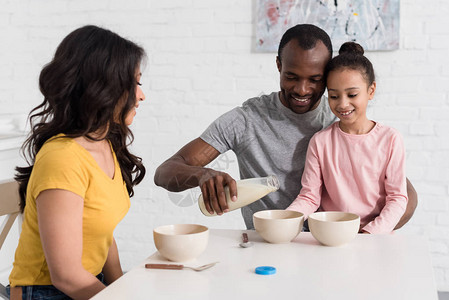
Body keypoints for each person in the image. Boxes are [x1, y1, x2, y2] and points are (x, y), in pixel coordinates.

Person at [154, 24, 417, 230]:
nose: (302, 89)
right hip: (269, 243)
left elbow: (404, 196)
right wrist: (202, 175)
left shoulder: (339, 120)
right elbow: (165, 171)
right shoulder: (246, 120)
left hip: (328, 242)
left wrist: (364, 236)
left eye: (315, 79)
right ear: (279, 65)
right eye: (291, 77)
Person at [8, 25, 146, 299]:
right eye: (135, 83)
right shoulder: (63, 158)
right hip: (46, 292)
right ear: (104, 87)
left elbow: (102, 231)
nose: (141, 95)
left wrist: (121, 287)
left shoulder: (106, 143)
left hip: (85, 283)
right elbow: (66, 275)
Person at [287, 42, 407, 234]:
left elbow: (397, 198)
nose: (343, 104)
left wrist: (369, 233)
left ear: (371, 90)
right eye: (334, 96)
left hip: (375, 237)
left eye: (352, 94)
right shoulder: (320, 142)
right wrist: (285, 219)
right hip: (330, 236)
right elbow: (309, 197)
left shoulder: (390, 139)